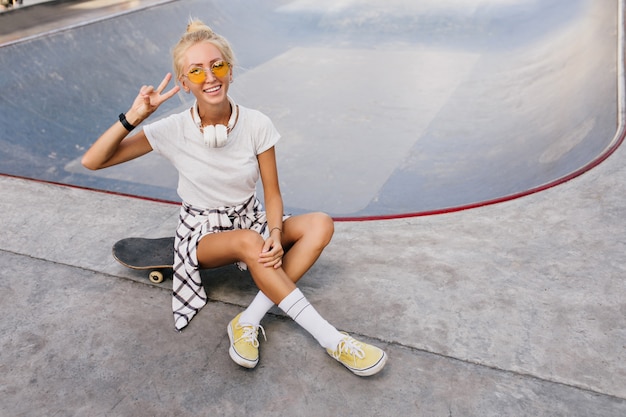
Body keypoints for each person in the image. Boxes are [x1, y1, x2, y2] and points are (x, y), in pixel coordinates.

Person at [82, 19, 387, 377]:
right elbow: (93, 161)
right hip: (202, 234)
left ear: (230, 70)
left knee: (319, 223)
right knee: (247, 241)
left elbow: (272, 192)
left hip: (252, 220)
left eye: (217, 66)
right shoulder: (172, 129)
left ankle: (248, 319)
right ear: (183, 84)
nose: (209, 77)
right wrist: (134, 116)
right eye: (195, 71)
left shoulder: (256, 124)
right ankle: (332, 340)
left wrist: (275, 233)